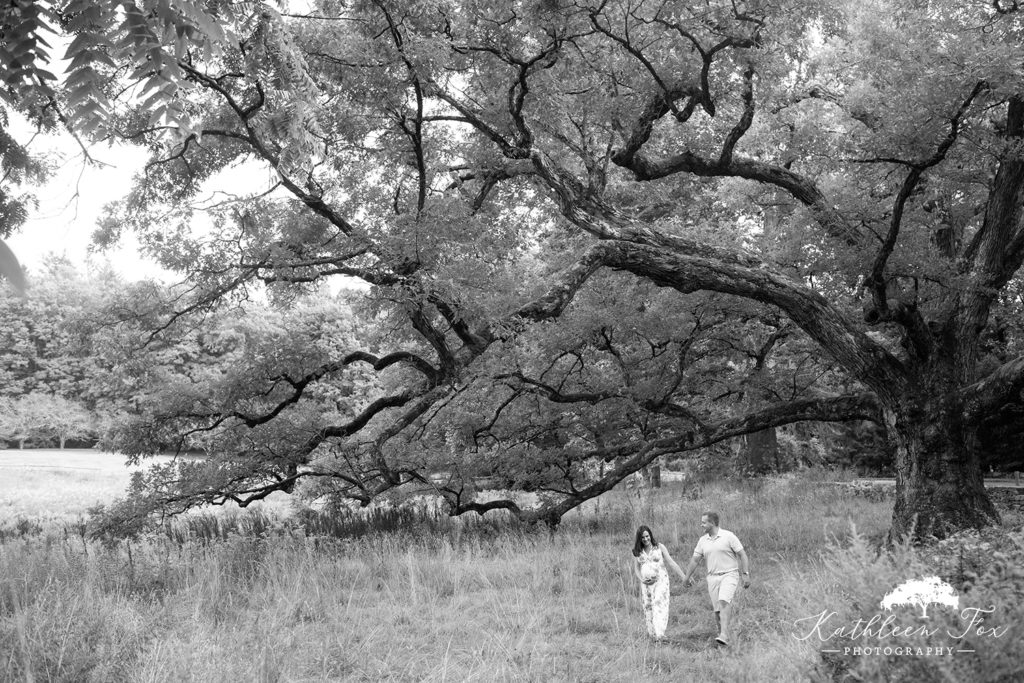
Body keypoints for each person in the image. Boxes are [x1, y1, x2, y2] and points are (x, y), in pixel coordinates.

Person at [680, 511, 750, 647]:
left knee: (724, 601)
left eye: (704, 522)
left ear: (712, 523)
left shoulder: (728, 536)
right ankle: (723, 640)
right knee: (717, 612)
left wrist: (745, 573)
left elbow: (742, 554)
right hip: (712, 577)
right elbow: (695, 560)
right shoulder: (702, 540)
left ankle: (724, 635)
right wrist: (686, 577)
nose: (701, 525)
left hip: (729, 574)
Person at [632, 525, 686, 641]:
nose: (645, 539)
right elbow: (636, 568)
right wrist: (642, 579)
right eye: (642, 537)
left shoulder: (659, 547)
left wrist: (684, 577)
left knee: (658, 604)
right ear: (639, 539)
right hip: (646, 585)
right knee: (648, 607)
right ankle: (653, 635)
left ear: (650, 535)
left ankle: (660, 633)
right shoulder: (638, 551)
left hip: (660, 581)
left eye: (647, 536)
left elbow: (671, 562)